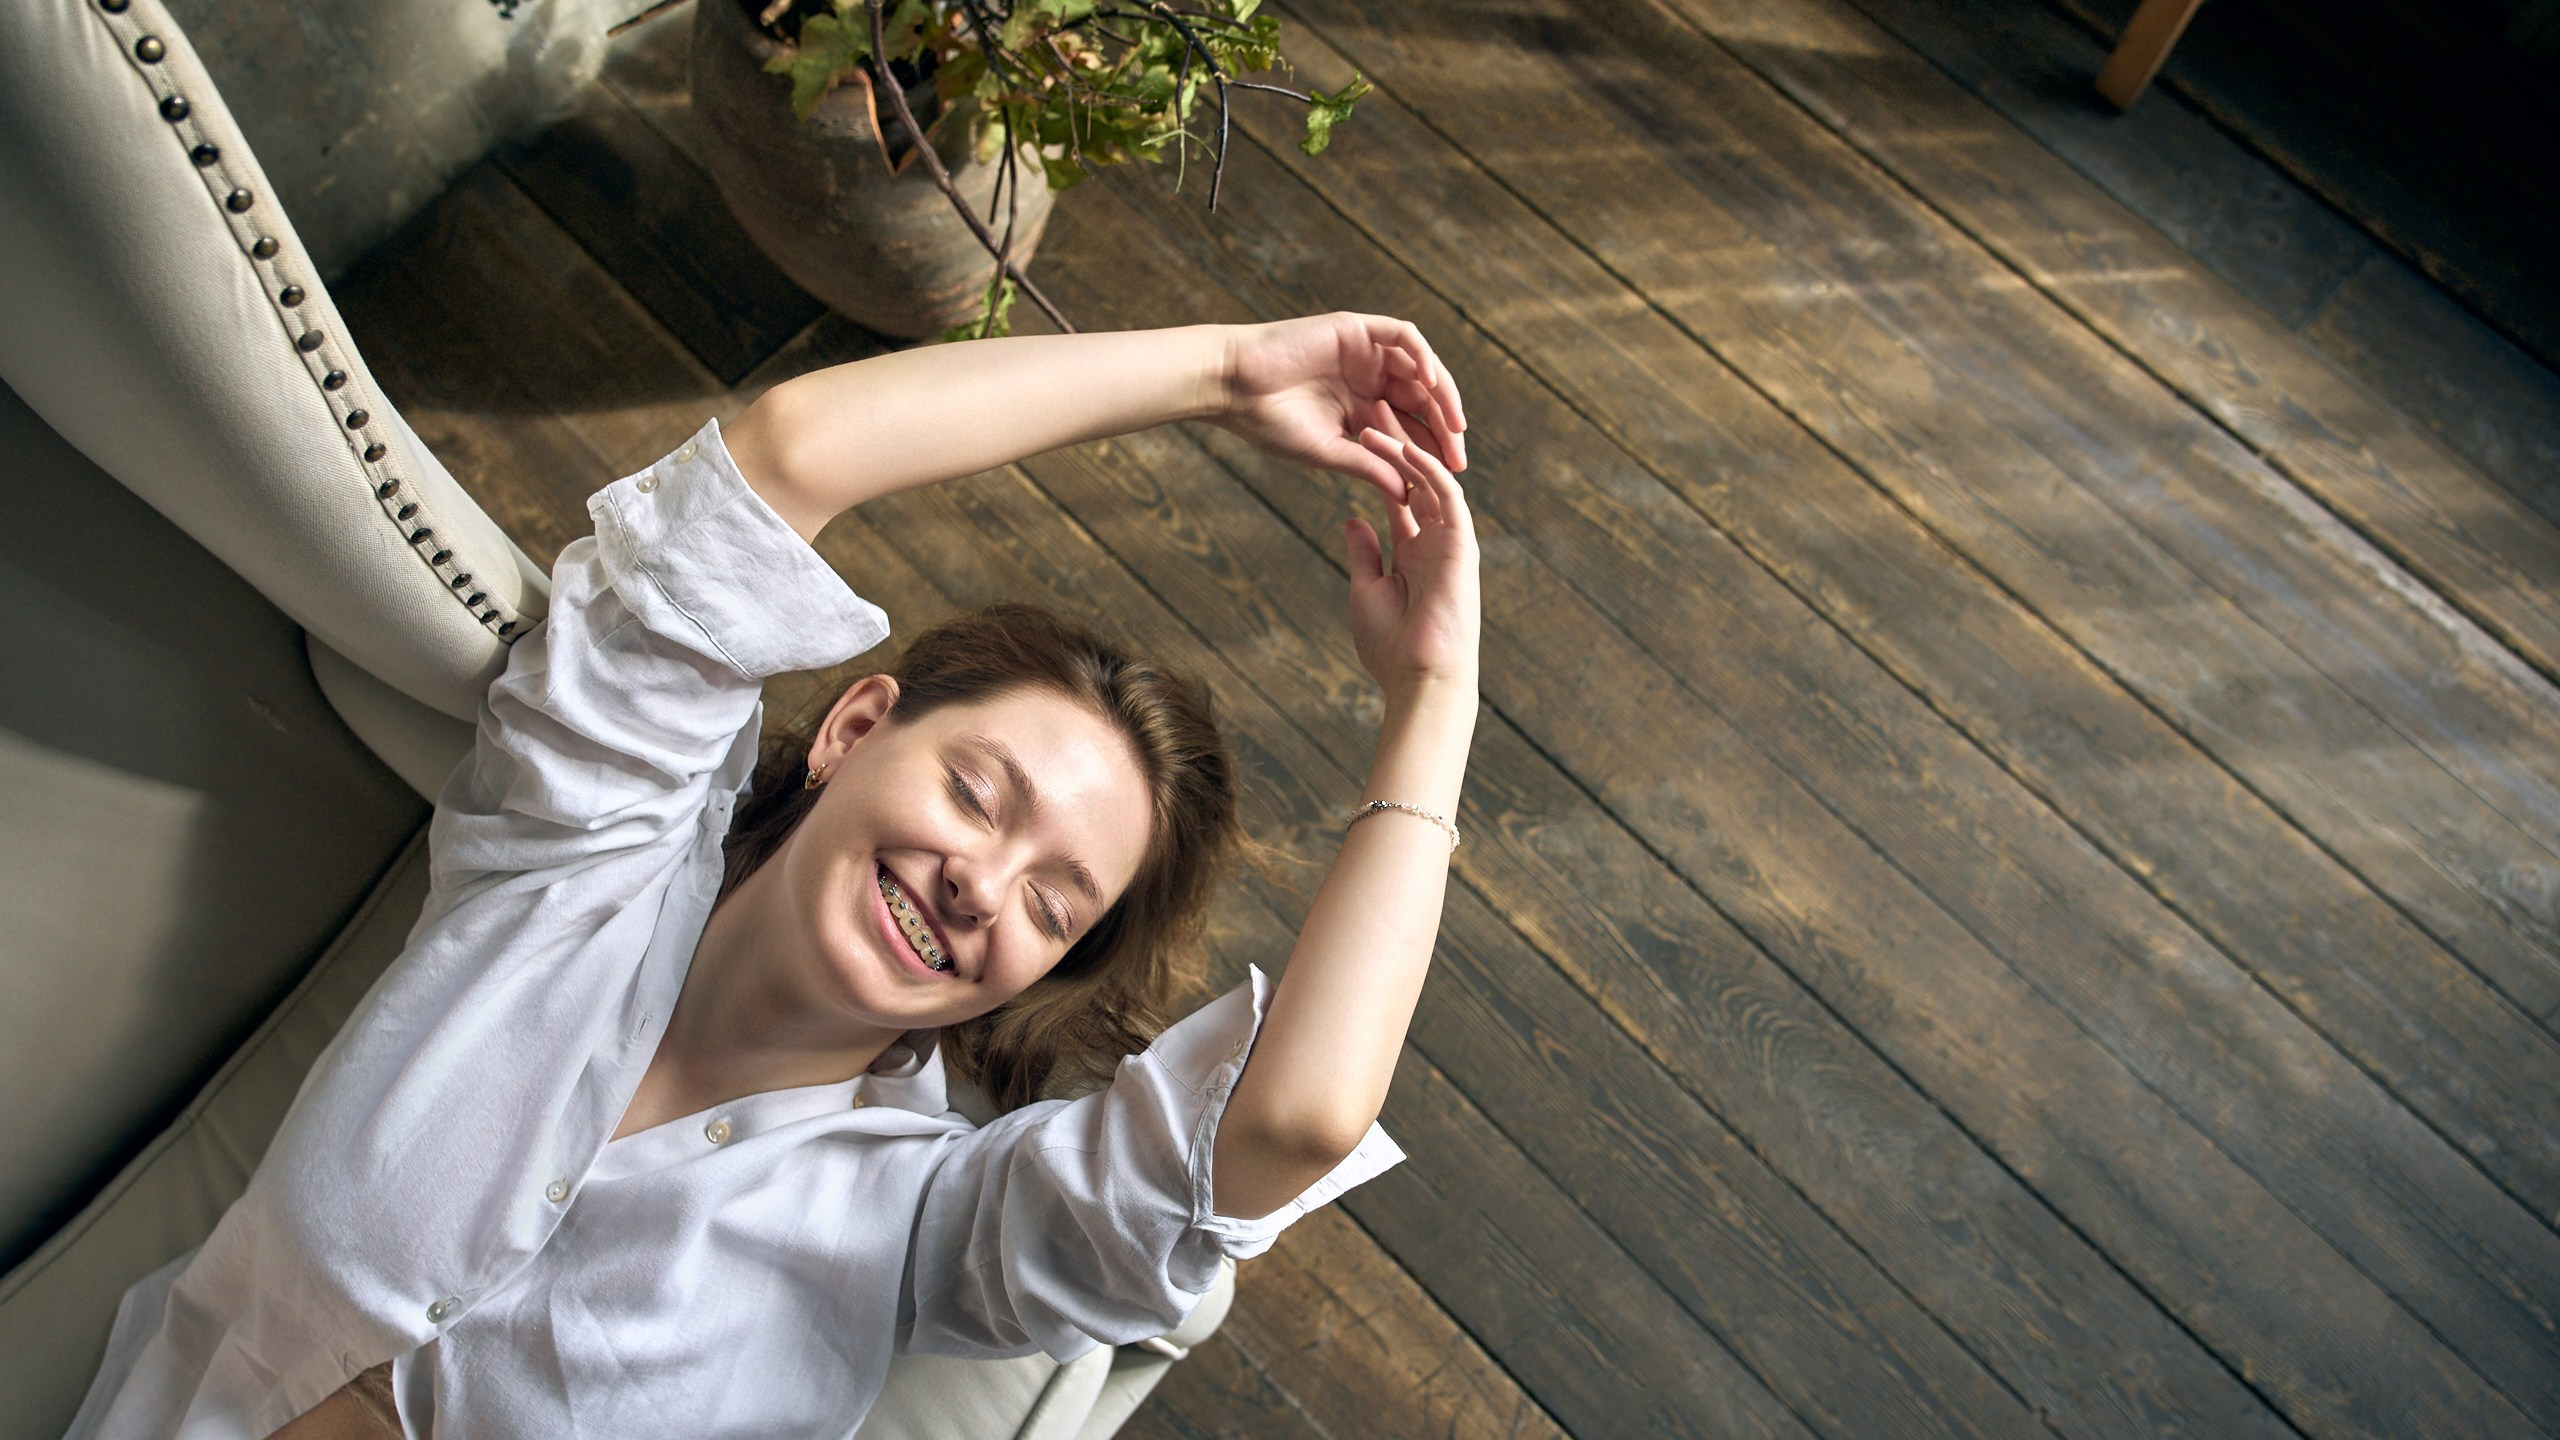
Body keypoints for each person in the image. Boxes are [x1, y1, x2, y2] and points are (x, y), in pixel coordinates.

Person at [67, 313, 1479, 1439]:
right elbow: (787, 454)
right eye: (978, 798)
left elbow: (1295, 1117)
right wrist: (1226, 371)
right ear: (858, 730)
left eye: (1055, 907)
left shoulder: (933, 1231)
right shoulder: (579, 847)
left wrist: (1434, 696)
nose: (987, 889)